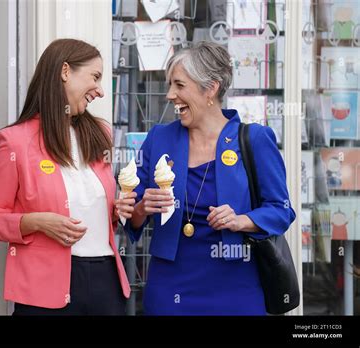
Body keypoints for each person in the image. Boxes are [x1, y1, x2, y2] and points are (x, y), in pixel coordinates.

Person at [119, 41, 296, 315]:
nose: (169, 95)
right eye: (170, 85)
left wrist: (241, 220)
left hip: (236, 289)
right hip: (169, 289)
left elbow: (281, 211)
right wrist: (142, 208)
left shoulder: (255, 139)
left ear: (210, 88)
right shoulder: (159, 138)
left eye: (179, 85)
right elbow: (131, 216)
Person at [0, 38, 132, 315]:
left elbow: (95, 210)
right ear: (64, 71)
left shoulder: (101, 133)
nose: (100, 91)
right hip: (44, 291)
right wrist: (35, 222)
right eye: (95, 77)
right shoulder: (13, 142)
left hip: (106, 282)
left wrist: (115, 211)